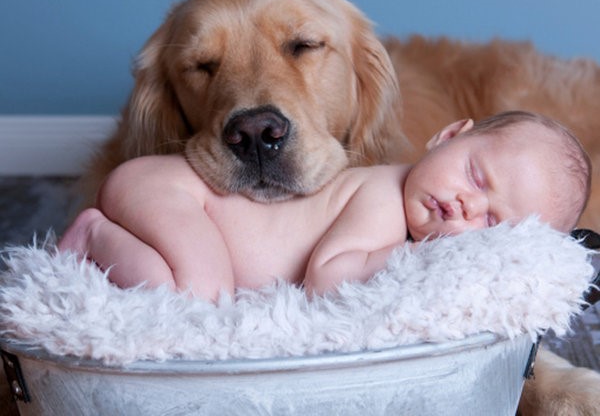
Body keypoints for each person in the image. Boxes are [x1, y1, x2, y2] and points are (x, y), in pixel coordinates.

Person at [58, 111, 591, 302]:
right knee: (202, 294)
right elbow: (328, 278)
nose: (463, 204)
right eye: (475, 175)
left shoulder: (411, 215)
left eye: (491, 222)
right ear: (448, 135)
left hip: (176, 202)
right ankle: (91, 235)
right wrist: (425, 259)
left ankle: (104, 239)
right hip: (176, 193)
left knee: (178, 286)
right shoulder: (385, 196)